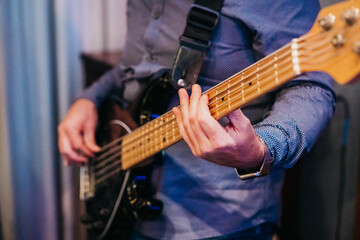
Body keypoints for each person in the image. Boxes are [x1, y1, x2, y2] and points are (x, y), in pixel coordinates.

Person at [58, 0, 336, 239]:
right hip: (127, 206)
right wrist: (89, 99)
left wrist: (261, 148)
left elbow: (312, 86)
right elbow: (134, 66)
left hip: (221, 221)